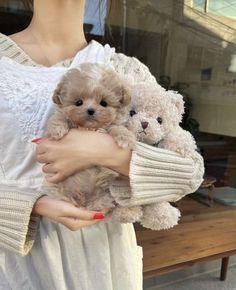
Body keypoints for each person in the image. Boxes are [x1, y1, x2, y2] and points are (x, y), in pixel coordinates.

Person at [0, 0, 204, 289]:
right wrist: (30, 206)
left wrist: (110, 154)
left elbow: (190, 173)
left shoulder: (126, 72)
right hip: (19, 266)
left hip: (106, 266)